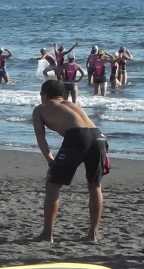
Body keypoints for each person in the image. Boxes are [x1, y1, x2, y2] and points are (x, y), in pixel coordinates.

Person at [32, 79, 107, 243]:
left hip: (78, 137)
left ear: (44, 95)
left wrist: (50, 160)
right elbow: (88, 129)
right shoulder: (72, 105)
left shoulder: (40, 109)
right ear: (63, 94)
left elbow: (41, 139)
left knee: (53, 184)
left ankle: (47, 234)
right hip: (99, 137)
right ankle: (93, 234)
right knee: (95, 185)